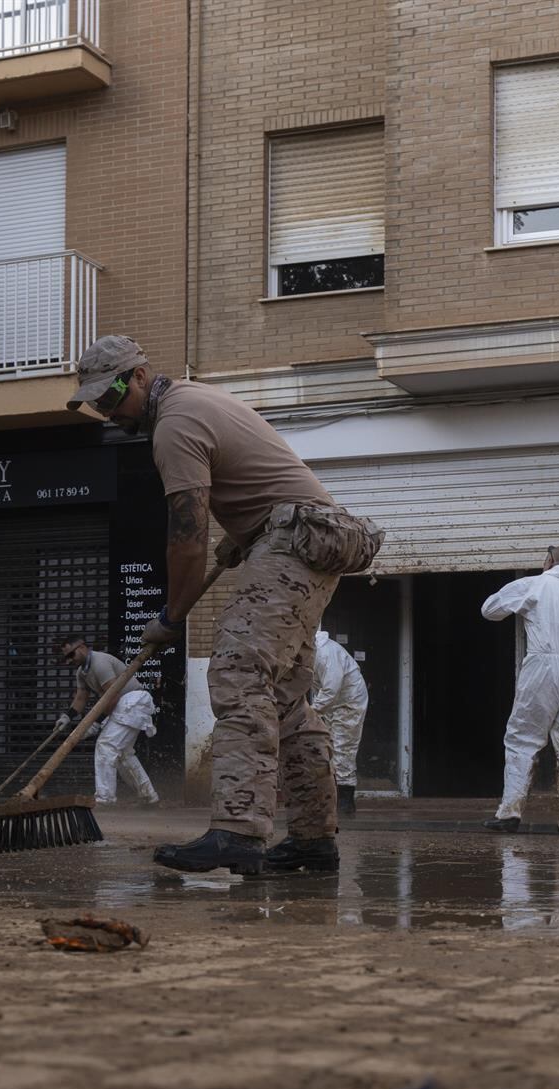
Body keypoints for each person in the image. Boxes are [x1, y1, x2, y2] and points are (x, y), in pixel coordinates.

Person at [69, 335, 381, 877]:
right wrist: (246, 532)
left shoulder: (174, 425)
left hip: (295, 540)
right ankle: (312, 839)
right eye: (97, 400)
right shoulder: (195, 398)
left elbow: (185, 537)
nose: (109, 407)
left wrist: (170, 617)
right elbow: (258, 478)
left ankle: (237, 832)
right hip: (304, 537)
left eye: (114, 391)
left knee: (238, 674)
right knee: (284, 700)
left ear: (140, 375)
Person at [481, 546, 559, 835]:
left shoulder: (536, 584)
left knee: (523, 738)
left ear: (549, 561)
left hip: (543, 665)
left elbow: (489, 610)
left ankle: (510, 813)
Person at [56, 634, 159, 808]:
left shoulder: (99, 662)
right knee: (123, 754)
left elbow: (112, 695)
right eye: (66, 658)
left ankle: (104, 799)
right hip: (122, 704)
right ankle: (149, 796)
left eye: (71, 655)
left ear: (82, 648)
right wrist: (67, 716)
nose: (68, 661)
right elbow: (81, 698)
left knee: (106, 745)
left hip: (132, 700)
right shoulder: (82, 672)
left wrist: (96, 724)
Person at [310, 629, 368, 817]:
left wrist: (311, 712)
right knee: (329, 746)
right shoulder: (313, 653)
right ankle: (332, 797)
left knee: (344, 747)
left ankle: (345, 802)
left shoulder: (325, 654)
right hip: (335, 701)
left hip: (348, 701)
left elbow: (330, 690)